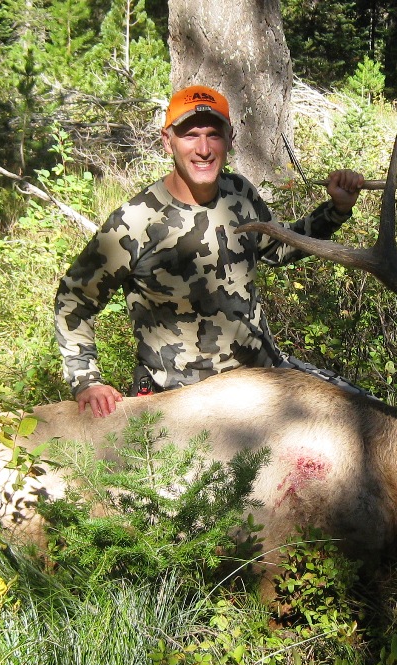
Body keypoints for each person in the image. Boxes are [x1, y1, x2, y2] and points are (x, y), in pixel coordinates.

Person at [55, 85, 365, 418]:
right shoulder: (135, 221)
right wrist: (86, 380)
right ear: (167, 140)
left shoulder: (238, 192)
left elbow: (278, 247)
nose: (203, 149)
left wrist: (336, 209)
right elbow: (74, 298)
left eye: (213, 135)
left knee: (367, 412)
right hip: (180, 397)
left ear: (230, 139)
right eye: (190, 135)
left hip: (263, 374)